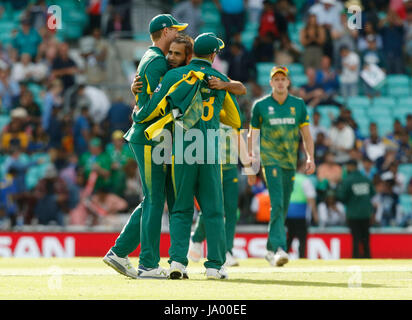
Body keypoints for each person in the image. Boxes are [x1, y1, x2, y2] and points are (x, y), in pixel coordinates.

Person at [138, 32, 244, 280]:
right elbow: (236, 120)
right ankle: (215, 267)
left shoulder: (174, 75)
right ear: (214, 54)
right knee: (213, 211)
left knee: (181, 210)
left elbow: (153, 107)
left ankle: (177, 262)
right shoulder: (219, 78)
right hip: (208, 151)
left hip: (182, 150)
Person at [103, 14, 188, 279]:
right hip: (150, 136)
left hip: (151, 136)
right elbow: (148, 106)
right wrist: (140, 112)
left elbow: (144, 95)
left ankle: (119, 252)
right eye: (175, 31)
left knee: (152, 198)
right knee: (154, 199)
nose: (178, 35)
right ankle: (148, 263)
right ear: (164, 32)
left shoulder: (152, 59)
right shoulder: (157, 62)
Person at [247, 66, 315, 267]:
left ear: (288, 82)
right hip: (270, 161)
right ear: (270, 83)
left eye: (282, 79)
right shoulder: (260, 106)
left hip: (289, 162)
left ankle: (269, 250)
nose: (279, 82)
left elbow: (306, 135)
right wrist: (251, 162)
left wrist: (310, 157)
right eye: (275, 79)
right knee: (276, 203)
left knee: (282, 206)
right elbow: (252, 134)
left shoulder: (298, 105)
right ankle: (279, 248)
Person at [336, 159, 375, 258]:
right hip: (366, 213)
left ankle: (356, 256)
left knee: (356, 238)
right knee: (366, 237)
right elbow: (372, 193)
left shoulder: (348, 180)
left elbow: (341, 197)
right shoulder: (365, 179)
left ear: (350, 167)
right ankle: (367, 256)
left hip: (353, 214)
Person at [285, 160, 318, 258]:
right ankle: (301, 258)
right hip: (301, 214)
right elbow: (311, 198)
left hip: (288, 213)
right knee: (302, 239)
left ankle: (283, 256)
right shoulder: (305, 180)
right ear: (301, 167)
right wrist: (315, 214)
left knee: (289, 237)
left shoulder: (288, 179)